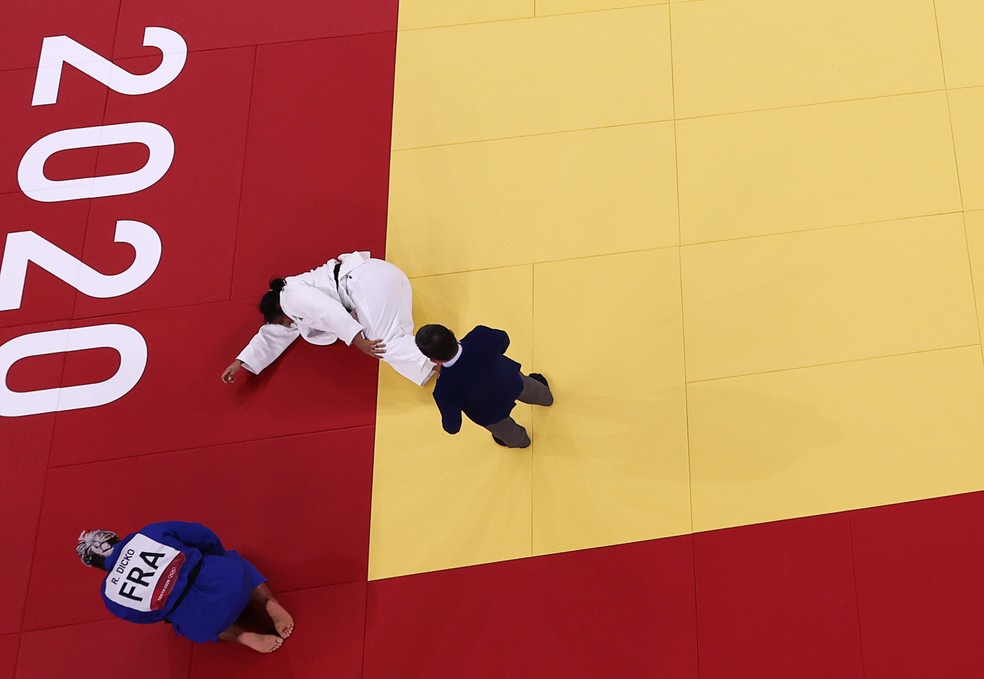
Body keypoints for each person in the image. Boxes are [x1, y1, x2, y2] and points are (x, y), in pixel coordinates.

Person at [221, 252, 434, 387]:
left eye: (283, 322)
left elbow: (328, 310)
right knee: (398, 338)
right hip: (383, 277)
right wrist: (240, 362)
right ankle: (436, 365)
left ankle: (451, 360)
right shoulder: (296, 303)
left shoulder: (290, 297)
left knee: (381, 345)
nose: (289, 326)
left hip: (365, 283)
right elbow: (273, 334)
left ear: (279, 310)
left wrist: (358, 340)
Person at [76, 522, 294, 653]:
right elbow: (201, 534)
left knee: (181, 621)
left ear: (97, 567)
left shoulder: (110, 595)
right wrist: (215, 556)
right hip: (222, 579)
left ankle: (241, 636)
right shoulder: (149, 533)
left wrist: (169, 603)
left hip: (200, 616)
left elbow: (147, 616)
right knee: (237, 564)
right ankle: (269, 603)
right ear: (115, 536)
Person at [414, 324, 554, 448]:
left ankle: (520, 442)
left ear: (433, 360)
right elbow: (504, 340)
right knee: (533, 389)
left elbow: (453, 426)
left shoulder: (444, 390)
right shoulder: (481, 335)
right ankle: (546, 399)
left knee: (507, 432)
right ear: (451, 332)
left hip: (490, 413)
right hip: (510, 380)